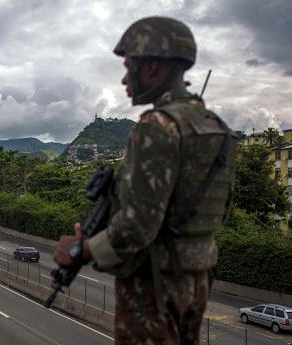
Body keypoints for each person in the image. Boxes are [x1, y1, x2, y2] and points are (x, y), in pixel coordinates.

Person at [53, 16, 238, 344]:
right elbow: (216, 213)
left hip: (153, 285)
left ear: (151, 67)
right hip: (196, 280)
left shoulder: (157, 127)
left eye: (129, 67)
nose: (125, 79)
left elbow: (137, 227)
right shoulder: (218, 130)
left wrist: (82, 249)